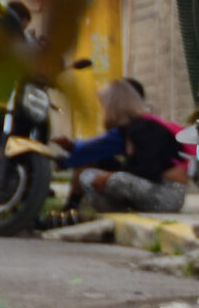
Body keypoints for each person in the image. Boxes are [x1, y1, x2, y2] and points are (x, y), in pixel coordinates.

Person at [56, 80, 189, 215]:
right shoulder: (125, 130)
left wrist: (110, 175)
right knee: (87, 176)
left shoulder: (145, 128)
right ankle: (112, 211)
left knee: (116, 180)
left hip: (166, 192)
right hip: (144, 185)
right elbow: (97, 149)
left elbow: (150, 170)